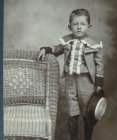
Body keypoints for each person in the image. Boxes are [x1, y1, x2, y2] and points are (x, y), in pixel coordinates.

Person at [38, 9, 104, 140]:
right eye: (75, 24)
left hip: (87, 82)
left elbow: (99, 66)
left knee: (88, 112)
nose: (79, 27)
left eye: (83, 24)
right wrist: (45, 49)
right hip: (70, 81)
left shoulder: (94, 45)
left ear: (88, 26)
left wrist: (99, 84)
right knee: (72, 111)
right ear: (70, 26)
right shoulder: (67, 41)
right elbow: (57, 49)